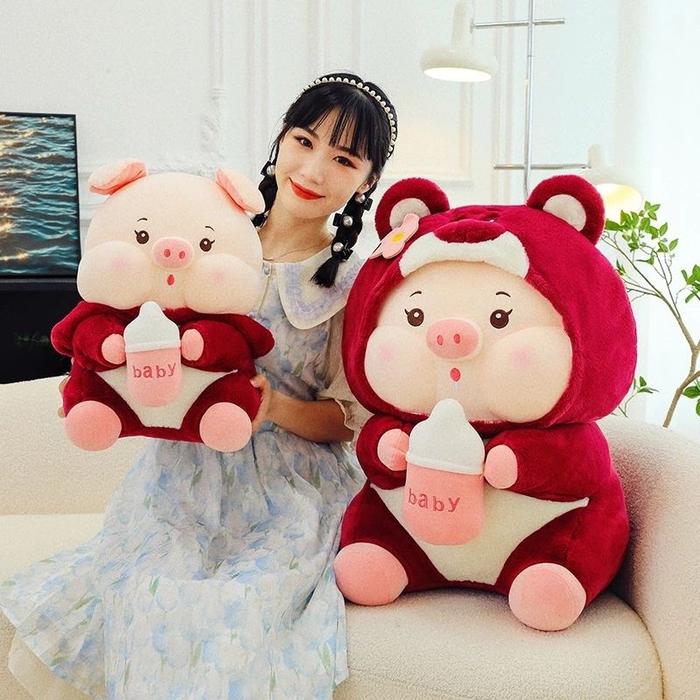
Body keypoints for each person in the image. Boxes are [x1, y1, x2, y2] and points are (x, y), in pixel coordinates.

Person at [0, 71, 397, 699]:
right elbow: (129, 319)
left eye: (344, 159)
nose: (314, 169)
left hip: (290, 489)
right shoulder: (207, 225)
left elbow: (348, 420)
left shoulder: (354, 281)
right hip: (179, 477)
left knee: (237, 611)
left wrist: (273, 406)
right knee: (150, 593)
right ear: (281, 139)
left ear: (367, 180)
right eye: (304, 141)